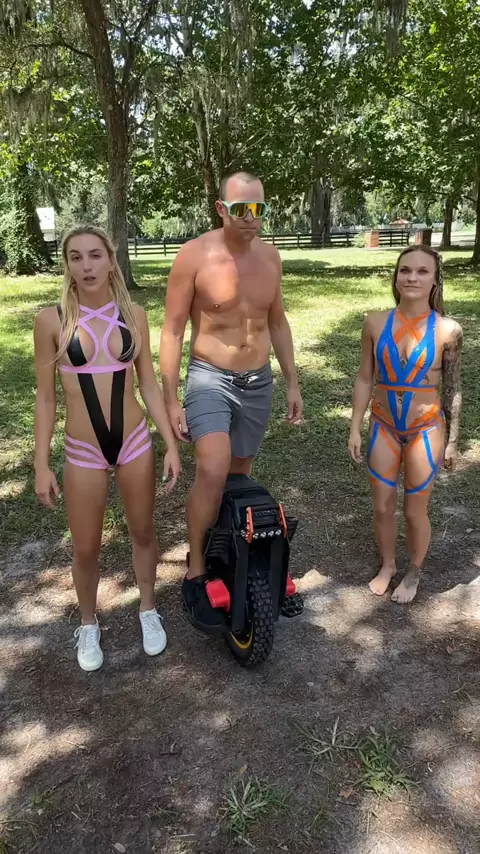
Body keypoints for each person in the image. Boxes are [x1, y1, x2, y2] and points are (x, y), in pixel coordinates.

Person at [160, 171, 303, 632]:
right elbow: (173, 329)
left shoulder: (270, 256)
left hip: (258, 380)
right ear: (221, 209)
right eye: (242, 209)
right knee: (213, 469)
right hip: (210, 378)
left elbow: (276, 322)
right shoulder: (194, 255)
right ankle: (196, 568)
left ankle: (231, 549)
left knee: (239, 474)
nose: (251, 218)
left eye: (259, 209)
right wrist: (170, 399)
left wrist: (293, 382)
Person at [34, 225, 181, 671]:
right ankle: (88, 622)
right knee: (85, 549)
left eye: (95, 255)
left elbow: (148, 384)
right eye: (76, 257)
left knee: (143, 532)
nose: (87, 266)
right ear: (67, 265)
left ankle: (148, 610)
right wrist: (41, 463)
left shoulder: (133, 314)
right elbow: (46, 399)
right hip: (83, 450)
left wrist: (170, 444)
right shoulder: (51, 321)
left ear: (111, 260)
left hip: (134, 442)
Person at [348, 245, 462, 603]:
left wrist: (453, 440)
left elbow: (453, 389)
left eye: (422, 271)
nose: (412, 277)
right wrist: (355, 426)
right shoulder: (374, 322)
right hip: (383, 424)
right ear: (396, 277)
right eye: (405, 270)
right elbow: (365, 377)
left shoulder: (449, 329)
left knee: (415, 510)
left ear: (435, 280)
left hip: (426, 429)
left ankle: (413, 571)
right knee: (382, 506)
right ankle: (388, 565)